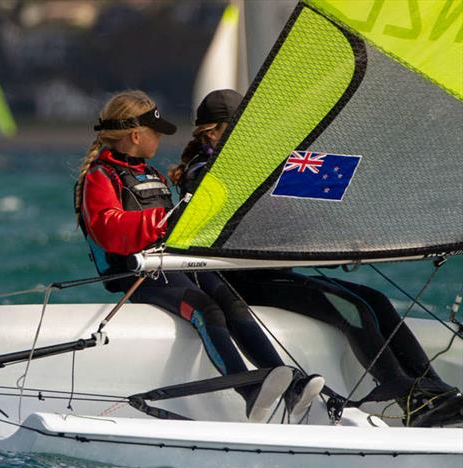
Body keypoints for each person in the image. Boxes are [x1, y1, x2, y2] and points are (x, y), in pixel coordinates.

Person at [172, 89, 463, 427]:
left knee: (377, 300)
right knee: (352, 309)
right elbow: (257, 221)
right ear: (212, 132)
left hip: (273, 273)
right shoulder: (205, 173)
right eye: (240, 126)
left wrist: (343, 235)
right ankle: (405, 399)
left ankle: (434, 391)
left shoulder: (257, 163)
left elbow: (321, 202)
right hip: (242, 282)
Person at [74, 90, 321, 423]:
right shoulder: (100, 177)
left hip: (174, 264)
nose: (160, 138)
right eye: (155, 132)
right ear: (136, 136)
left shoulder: (154, 175)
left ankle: (289, 385)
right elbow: (109, 230)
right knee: (207, 311)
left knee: (231, 301)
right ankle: (249, 391)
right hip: (137, 276)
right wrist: (166, 220)